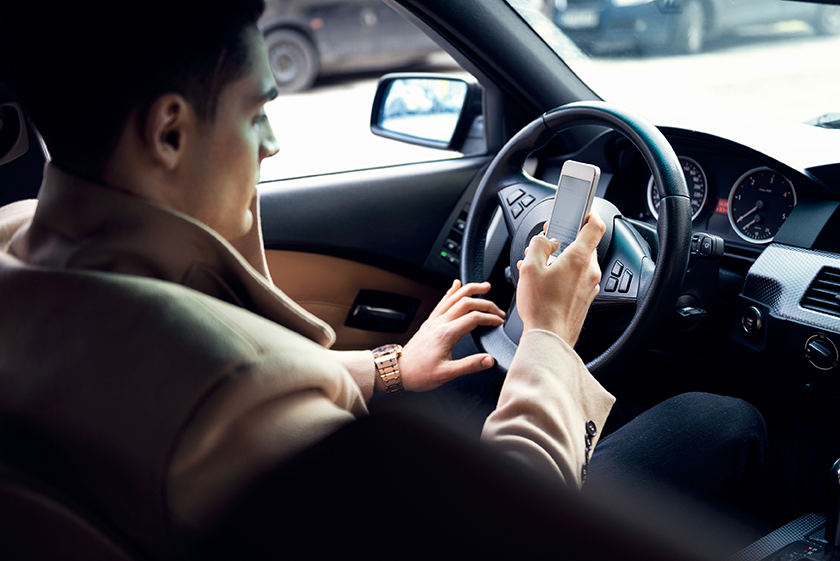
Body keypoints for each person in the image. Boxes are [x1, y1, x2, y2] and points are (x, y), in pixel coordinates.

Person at [0, 0, 765, 556]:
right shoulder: (226, 394)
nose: (271, 144)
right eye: (257, 111)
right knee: (718, 421)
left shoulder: (17, 242)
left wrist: (392, 364)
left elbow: (200, 369)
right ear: (169, 132)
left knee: (460, 386)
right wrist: (550, 338)